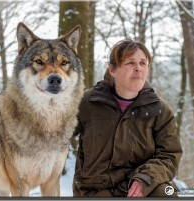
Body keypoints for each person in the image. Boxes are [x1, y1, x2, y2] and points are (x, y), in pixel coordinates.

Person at [72, 39, 183, 197]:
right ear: (112, 70)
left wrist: (145, 178)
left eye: (143, 63)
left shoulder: (159, 111)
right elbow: (57, 134)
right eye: (130, 63)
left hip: (139, 186)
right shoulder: (87, 103)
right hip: (96, 190)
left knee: (167, 193)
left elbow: (170, 155)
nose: (138, 68)